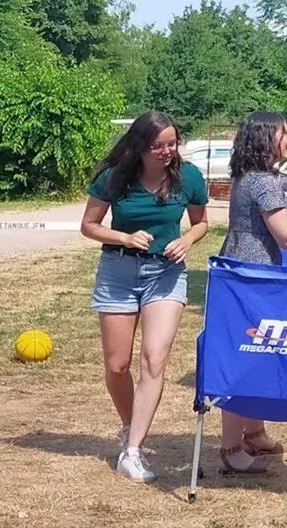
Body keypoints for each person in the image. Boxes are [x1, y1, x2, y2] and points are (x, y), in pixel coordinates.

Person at [80, 110, 209, 482]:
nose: (167, 151)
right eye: (159, 145)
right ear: (140, 146)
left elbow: (201, 223)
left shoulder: (189, 177)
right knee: (117, 366)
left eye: (172, 143)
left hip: (165, 275)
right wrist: (124, 237)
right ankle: (129, 425)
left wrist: (186, 240)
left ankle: (133, 450)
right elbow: (88, 226)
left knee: (154, 359)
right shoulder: (114, 177)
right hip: (118, 271)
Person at [215, 111, 287, 473]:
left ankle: (254, 432)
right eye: (286, 132)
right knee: (245, 358)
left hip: (244, 271)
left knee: (257, 352)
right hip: (251, 278)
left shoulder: (254, 177)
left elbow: (278, 217)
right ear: (267, 138)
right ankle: (231, 448)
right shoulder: (264, 182)